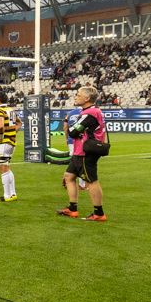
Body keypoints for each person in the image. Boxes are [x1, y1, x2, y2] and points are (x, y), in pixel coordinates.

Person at [57, 86, 108, 221]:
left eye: (78, 95)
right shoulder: (92, 111)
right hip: (81, 150)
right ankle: (72, 208)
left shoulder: (90, 113)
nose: (76, 97)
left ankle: (99, 213)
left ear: (87, 99)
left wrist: (75, 130)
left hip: (86, 151)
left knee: (91, 180)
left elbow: (73, 132)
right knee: (69, 176)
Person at [0, 90, 19, 203]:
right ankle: (12, 194)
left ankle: (7, 195)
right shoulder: (10, 110)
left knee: (2, 168)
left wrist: (1, 137)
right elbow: (19, 122)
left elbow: (0, 126)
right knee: (7, 168)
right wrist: (12, 134)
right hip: (10, 142)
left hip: (2, 144)